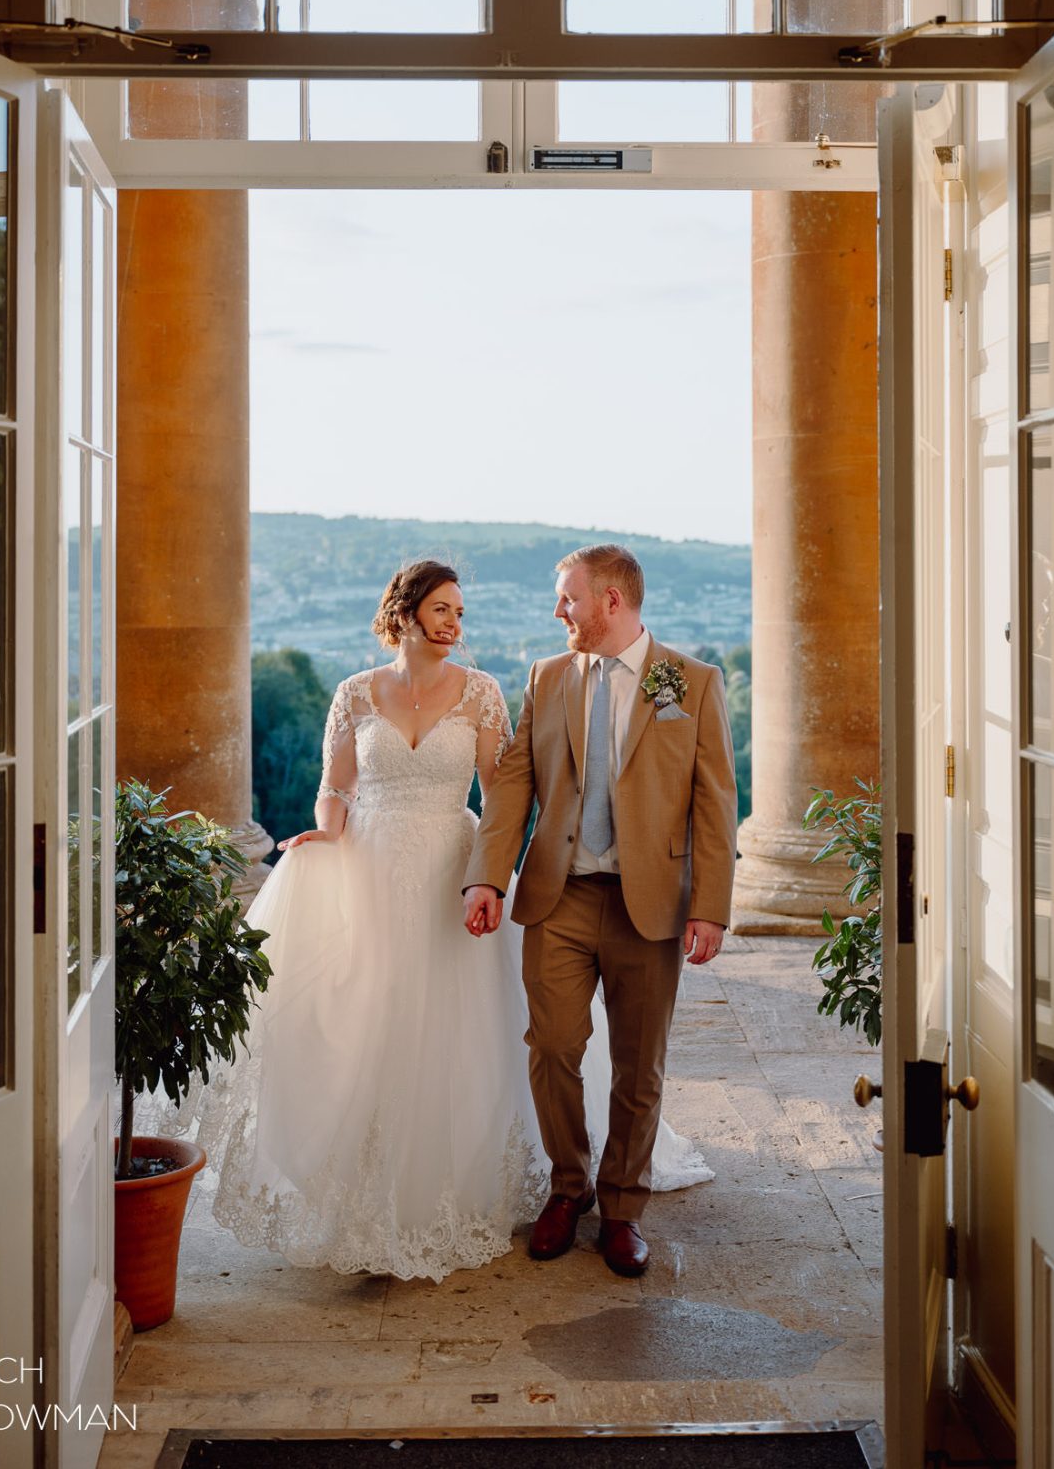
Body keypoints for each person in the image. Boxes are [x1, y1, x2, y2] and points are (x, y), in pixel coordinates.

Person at [155, 559, 711, 1283]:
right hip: (378, 870)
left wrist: (488, 873)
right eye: (442, 609)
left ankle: (604, 1202)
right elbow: (338, 787)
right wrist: (328, 830)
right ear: (406, 611)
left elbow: (503, 788)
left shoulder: (495, 692)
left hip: (458, 867)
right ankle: (454, 1183)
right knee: (402, 1020)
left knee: (498, 1034)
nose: (454, 623)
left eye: (459, 611)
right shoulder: (358, 692)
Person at [463, 543, 738, 1278]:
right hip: (559, 893)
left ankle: (621, 1209)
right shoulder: (547, 677)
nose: (559, 611)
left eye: (567, 598)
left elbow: (715, 803)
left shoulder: (693, 682)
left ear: (610, 601)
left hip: (650, 904)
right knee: (551, 1043)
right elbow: (514, 783)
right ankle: (567, 1186)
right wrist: (487, 876)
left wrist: (709, 905)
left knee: (637, 1066)